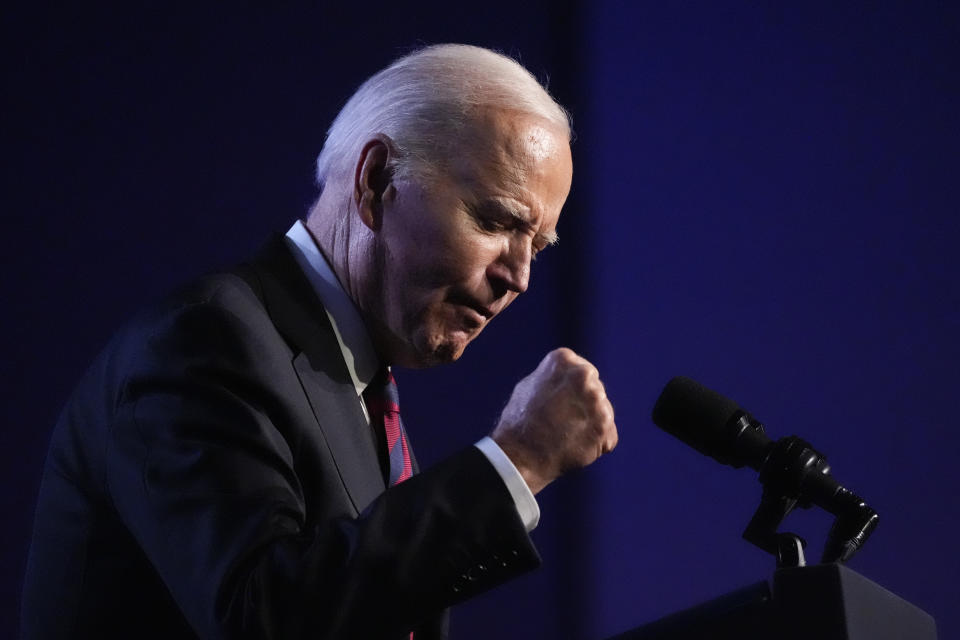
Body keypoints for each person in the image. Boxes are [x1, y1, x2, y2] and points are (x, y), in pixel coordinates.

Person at [21, 44, 617, 639]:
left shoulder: (356, 379)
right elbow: (265, 618)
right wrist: (517, 460)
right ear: (376, 179)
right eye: (495, 221)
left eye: (535, 247)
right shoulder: (203, 342)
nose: (519, 277)